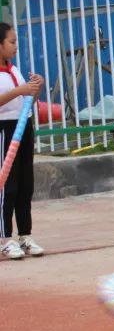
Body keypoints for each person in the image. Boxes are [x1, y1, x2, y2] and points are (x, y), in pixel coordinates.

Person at [0, 22, 45, 259]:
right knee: (7, 185)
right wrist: (20, 91)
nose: (16, 46)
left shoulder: (14, 70)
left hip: (23, 126)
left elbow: (29, 101)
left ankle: (25, 235)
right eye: (12, 42)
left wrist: (37, 87)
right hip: (4, 130)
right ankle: (4, 237)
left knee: (25, 185)